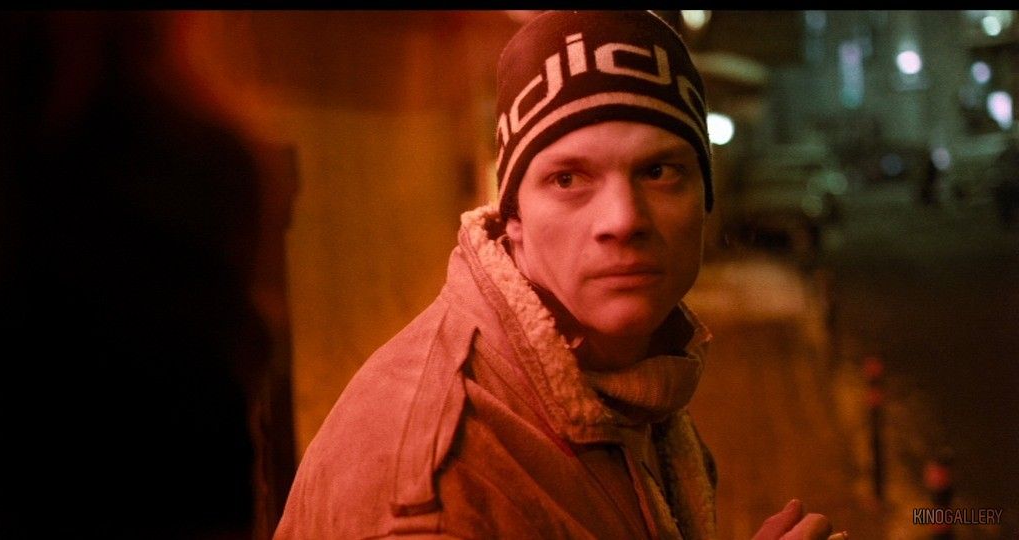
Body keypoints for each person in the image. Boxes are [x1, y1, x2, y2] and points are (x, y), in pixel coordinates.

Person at [276, 10, 838, 539]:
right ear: (513, 218)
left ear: (704, 200)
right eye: (568, 179)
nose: (623, 220)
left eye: (659, 171)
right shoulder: (437, 488)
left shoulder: (627, 380)